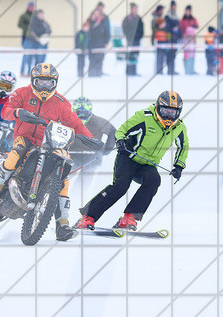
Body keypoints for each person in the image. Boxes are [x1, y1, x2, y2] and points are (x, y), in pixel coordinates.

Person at [0, 63, 94, 242]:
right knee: (17, 152)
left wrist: (90, 139)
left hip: (49, 144)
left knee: (63, 179)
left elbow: (77, 123)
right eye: (40, 82)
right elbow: (5, 111)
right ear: (33, 81)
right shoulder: (21, 93)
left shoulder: (62, 103)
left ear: (55, 83)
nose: (44, 87)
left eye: (48, 83)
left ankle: (62, 224)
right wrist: (17, 112)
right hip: (24, 138)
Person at [75, 91, 188, 234]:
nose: (168, 116)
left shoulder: (179, 127)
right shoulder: (145, 116)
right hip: (128, 157)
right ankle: (87, 217)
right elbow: (122, 130)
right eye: (165, 111)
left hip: (147, 165)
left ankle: (130, 217)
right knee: (121, 186)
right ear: (159, 108)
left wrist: (179, 165)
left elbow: (183, 146)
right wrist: (121, 140)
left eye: (173, 112)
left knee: (154, 181)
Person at [87, 5, 111, 76]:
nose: (96, 15)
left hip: (101, 44)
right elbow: (86, 31)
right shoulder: (89, 22)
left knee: (99, 60)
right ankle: (91, 74)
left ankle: (98, 73)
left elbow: (107, 33)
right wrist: (91, 21)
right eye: (95, 14)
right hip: (92, 44)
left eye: (98, 14)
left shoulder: (103, 22)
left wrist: (106, 42)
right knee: (92, 60)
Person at [122, 3, 143, 76]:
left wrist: (139, 36)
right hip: (130, 39)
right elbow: (124, 28)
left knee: (135, 55)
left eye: (137, 9)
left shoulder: (139, 18)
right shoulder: (128, 18)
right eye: (135, 9)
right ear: (131, 9)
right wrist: (129, 35)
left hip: (137, 40)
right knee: (129, 55)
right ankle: (128, 71)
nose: (136, 10)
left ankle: (134, 71)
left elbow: (141, 29)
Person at [18, 1, 37, 74]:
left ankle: (29, 72)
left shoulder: (35, 15)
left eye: (33, 6)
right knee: (26, 55)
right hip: (26, 38)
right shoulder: (23, 15)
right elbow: (19, 24)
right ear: (28, 7)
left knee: (31, 56)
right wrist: (28, 27)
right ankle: (22, 72)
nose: (32, 8)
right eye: (30, 6)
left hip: (34, 39)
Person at [151, 5, 170, 74]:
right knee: (159, 57)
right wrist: (161, 28)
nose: (162, 11)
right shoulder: (155, 19)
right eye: (161, 10)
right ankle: (158, 71)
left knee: (162, 57)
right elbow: (154, 30)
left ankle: (160, 70)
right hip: (158, 40)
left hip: (163, 40)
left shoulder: (160, 18)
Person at [165, 1, 181, 75]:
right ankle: (169, 70)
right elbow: (166, 27)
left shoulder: (176, 16)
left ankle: (173, 69)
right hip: (169, 38)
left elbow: (179, 26)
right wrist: (172, 29)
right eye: (173, 6)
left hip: (175, 38)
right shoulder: (167, 16)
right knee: (169, 55)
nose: (174, 7)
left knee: (173, 54)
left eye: (175, 6)